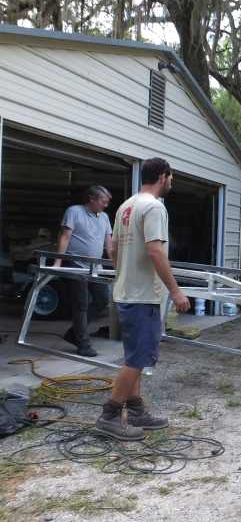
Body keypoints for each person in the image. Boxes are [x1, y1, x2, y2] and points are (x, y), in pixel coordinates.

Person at [94, 158, 190, 440]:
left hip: (126, 291)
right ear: (163, 176)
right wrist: (175, 290)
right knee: (137, 359)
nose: (172, 182)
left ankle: (136, 410)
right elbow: (156, 252)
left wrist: (123, 273)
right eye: (171, 177)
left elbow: (112, 249)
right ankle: (109, 416)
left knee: (133, 356)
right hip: (143, 296)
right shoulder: (154, 207)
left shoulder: (126, 206)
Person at [54, 185, 113, 357]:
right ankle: (83, 343)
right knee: (82, 302)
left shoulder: (104, 217)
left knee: (102, 299)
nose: (106, 205)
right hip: (75, 263)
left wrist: (116, 266)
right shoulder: (74, 211)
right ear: (92, 199)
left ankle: (74, 333)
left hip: (95, 266)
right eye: (103, 201)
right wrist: (58, 262)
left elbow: (108, 244)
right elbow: (65, 236)